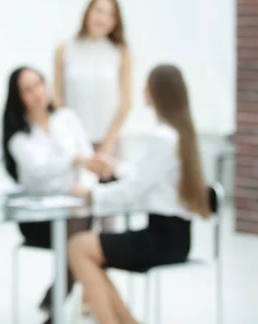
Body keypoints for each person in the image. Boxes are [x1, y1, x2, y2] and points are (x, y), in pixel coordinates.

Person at [67, 64, 211, 324]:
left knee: (79, 247)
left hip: (160, 239)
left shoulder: (162, 138)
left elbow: (134, 192)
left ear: (157, 92)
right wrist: (116, 167)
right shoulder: (181, 135)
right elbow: (148, 179)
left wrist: (91, 194)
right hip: (177, 238)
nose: (143, 89)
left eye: (147, 84)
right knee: (89, 253)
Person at [1, 66, 114, 323]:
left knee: (81, 228)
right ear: (18, 98)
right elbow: (39, 172)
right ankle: (59, 301)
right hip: (40, 219)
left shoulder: (67, 118)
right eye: (27, 90)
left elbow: (89, 162)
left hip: (76, 208)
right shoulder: (19, 138)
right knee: (82, 238)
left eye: (39, 84)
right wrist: (75, 162)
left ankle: (55, 307)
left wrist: (84, 185)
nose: (36, 93)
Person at [53, 0, 132, 165]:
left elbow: (126, 103)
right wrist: (72, 140)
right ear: (88, 12)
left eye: (110, 14)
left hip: (110, 144)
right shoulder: (64, 49)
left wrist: (107, 144)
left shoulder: (121, 52)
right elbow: (58, 100)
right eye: (98, 10)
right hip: (74, 145)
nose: (102, 18)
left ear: (115, 21)